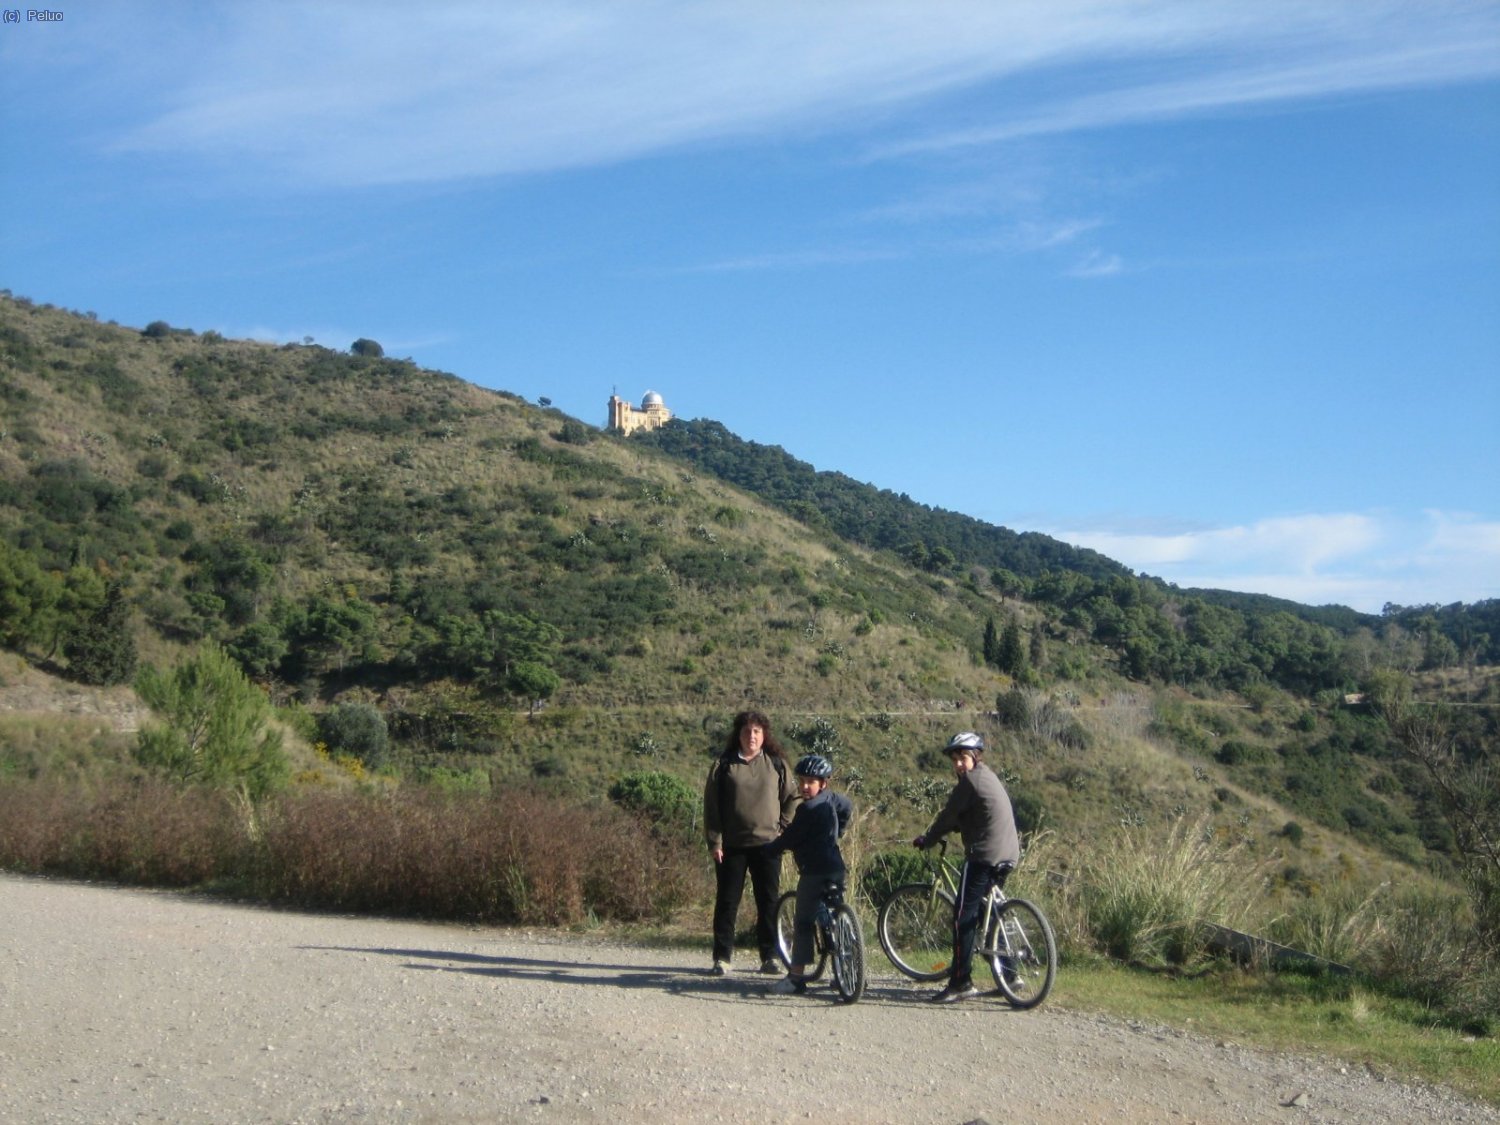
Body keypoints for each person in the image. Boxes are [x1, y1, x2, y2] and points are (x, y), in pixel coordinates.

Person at [911, 731, 1020, 1002]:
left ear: (975, 757)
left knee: (963, 918)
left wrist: (929, 839)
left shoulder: (969, 782)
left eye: (964, 758)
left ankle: (960, 982)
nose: (959, 764)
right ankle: (1010, 976)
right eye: (956, 759)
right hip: (1008, 853)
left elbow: (948, 816)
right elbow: (975, 815)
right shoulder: (988, 776)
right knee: (988, 913)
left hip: (984, 856)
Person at [703, 710, 801, 976]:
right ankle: (722, 957)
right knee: (727, 901)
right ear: (739, 734)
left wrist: (783, 828)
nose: (752, 736)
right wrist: (715, 841)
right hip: (732, 846)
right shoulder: (724, 765)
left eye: (757, 731)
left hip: (768, 846)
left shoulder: (776, 764)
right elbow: (712, 807)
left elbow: (793, 797)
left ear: (764, 734)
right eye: (747, 731)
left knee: (768, 902)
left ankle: (770, 956)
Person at [760, 754, 853, 995]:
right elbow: (847, 807)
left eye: (811, 782)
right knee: (838, 918)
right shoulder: (832, 799)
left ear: (823, 783)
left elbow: (790, 838)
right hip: (836, 868)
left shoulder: (806, 809)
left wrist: (770, 850)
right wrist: (838, 831)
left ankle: (796, 978)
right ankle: (849, 972)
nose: (804, 786)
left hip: (813, 871)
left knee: (802, 922)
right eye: (802, 781)